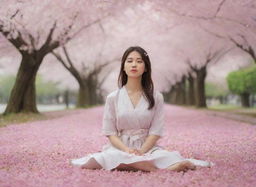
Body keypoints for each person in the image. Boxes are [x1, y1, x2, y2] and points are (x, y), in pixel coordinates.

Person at [70, 46, 214, 172]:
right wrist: (127, 150)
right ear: (124, 66)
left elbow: (156, 131)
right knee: (108, 157)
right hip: (120, 148)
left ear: (145, 68)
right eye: (130, 61)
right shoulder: (113, 97)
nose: (134, 65)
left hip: (148, 147)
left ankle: (138, 164)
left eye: (139, 61)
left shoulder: (156, 97)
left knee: (164, 156)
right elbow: (110, 133)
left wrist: (142, 151)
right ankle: (149, 167)